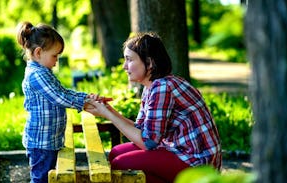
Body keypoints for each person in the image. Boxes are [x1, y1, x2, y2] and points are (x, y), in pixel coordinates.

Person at [85, 32, 222, 183]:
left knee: (121, 164)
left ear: (149, 63)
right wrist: (108, 110)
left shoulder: (162, 87)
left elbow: (148, 142)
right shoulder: (151, 86)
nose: (124, 66)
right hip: (176, 149)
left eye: (129, 60)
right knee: (115, 153)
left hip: (196, 162)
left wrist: (108, 114)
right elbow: (141, 130)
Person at [16, 21, 101, 183]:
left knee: (51, 177)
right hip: (42, 144)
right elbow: (60, 98)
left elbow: (63, 92)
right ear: (39, 52)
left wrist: (86, 97)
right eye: (55, 56)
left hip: (50, 140)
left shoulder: (44, 71)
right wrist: (84, 102)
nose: (57, 60)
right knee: (41, 179)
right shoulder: (36, 75)